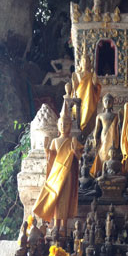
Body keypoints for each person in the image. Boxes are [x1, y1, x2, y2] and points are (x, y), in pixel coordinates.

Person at [33, 102, 83, 237]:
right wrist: (46, 151)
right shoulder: (55, 141)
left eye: (66, 124)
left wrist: (74, 152)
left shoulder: (73, 140)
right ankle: (56, 225)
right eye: (61, 124)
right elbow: (51, 159)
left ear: (70, 126)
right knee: (56, 198)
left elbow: (80, 158)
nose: (63, 127)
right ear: (57, 126)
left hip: (68, 175)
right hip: (57, 175)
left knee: (65, 200)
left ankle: (64, 226)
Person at [72, 48, 101, 137]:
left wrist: (95, 82)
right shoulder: (76, 74)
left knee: (89, 114)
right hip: (79, 97)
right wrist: (73, 95)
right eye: (83, 60)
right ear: (80, 63)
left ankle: (87, 133)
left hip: (89, 98)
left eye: (87, 61)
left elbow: (97, 87)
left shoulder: (92, 75)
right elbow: (74, 87)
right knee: (79, 115)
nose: (85, 62)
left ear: (89, 63)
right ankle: (81, 133)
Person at [90, 93, 120, 177]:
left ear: (113, 103)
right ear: (103, 103)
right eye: (106, 101)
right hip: (103, 136)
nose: (108, 102)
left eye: (110, 101)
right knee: (103, 153)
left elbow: (119, 128)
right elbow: (97, 129)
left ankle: (112, 170)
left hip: (113, 136)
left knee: (112, 152)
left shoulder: (116, 116)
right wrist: (95, 138)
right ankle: (102, 170)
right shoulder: (100, 116)